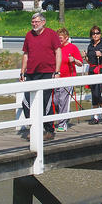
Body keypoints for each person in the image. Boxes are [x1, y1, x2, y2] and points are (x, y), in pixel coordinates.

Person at [20, 13, 62, 142]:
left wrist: (57, 71)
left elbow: (58, 51)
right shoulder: (29, 35)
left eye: (37, 22)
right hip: (32, 73)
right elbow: (26, 54)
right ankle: (33, 128)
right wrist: (22, 72)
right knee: (26, 102)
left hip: (47, 72)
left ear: (43, 22)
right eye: (32, 22)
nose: (34, 24)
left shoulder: (51, 34)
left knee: (45, 102)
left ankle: (49, 129)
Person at [53, 27, 83, 132]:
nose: (59, 40)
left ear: (66, 38)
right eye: (57, 38)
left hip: (68, 78)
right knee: (55, 101)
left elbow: (80, 63)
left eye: (60, 38)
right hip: (57, 78)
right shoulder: (56, 48)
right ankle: (65, 114)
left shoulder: (72, 48)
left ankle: (62, 123)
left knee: (63, 100)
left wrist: (74, 60)